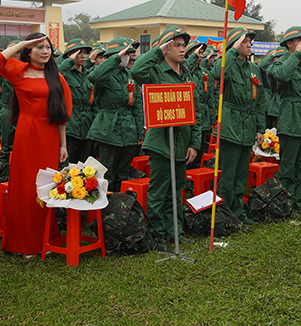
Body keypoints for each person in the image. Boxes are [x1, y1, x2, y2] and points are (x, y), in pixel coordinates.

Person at [0, 33, 72, 257]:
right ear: (28, 52)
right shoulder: (19, 72)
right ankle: (23, 242)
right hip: (27, 134)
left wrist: (63, 145)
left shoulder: (57, 77)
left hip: (50, 136)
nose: (45, 52)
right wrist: (24, 43)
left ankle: (46, 237)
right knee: (26, 186)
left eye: (47, 47)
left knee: (46, 185)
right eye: (39, 47)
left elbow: (62, 114)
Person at [131, 26, 200, 249]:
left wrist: (194, 144)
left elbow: (195, 110)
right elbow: (137, 71)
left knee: (177, 188)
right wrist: (158, 50)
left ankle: (175, 231)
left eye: (183, 45)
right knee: (159, 190)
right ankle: (158, 234)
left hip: (182, 141)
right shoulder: (155, 71)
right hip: (161, 142)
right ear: (165, 48)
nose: (182, 50)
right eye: (176, 45)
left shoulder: (187, 73)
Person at [215, 27, 265, 225]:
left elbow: (260, 100)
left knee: (242, 172)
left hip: (248, 125)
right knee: (228, 173)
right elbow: (217, 74)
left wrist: (260, 128)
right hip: (230, 125)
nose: (249, 44)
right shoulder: (228, 64)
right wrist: (232, 51)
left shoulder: (254, 69)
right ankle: (226, 212)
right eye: (245, 41)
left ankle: (238, 211)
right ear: (235, 45)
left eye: (250, 41)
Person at [269, 26, 301, 217]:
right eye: (300, 40)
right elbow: (281, 77)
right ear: (289, 43)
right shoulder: (281, 63)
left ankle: (298, 202)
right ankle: (286, 204)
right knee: (288, 166)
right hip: (290, 121)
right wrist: (296, 55)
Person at [87, 37, 144, 194]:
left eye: (129, 53)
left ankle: (120, 210)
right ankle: (102, 212)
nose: (127, 57)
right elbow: (93, 77)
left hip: (129, 131)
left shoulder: (130, 75)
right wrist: (115, 59)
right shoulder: (104, 73)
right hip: (107, 130)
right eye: (125, 54)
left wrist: (140, 133)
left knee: (123, 173)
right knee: (106, 174)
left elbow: (138, 106)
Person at [58, 38, 95, 166]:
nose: (84, 56)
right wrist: (69, 60)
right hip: (70, 127)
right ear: (70, 55)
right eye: (79, 52)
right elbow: (56, 74)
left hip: (86, 128)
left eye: (85, 52)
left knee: (82, 168)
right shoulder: (65, 74)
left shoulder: (88, 75)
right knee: (65, 167)